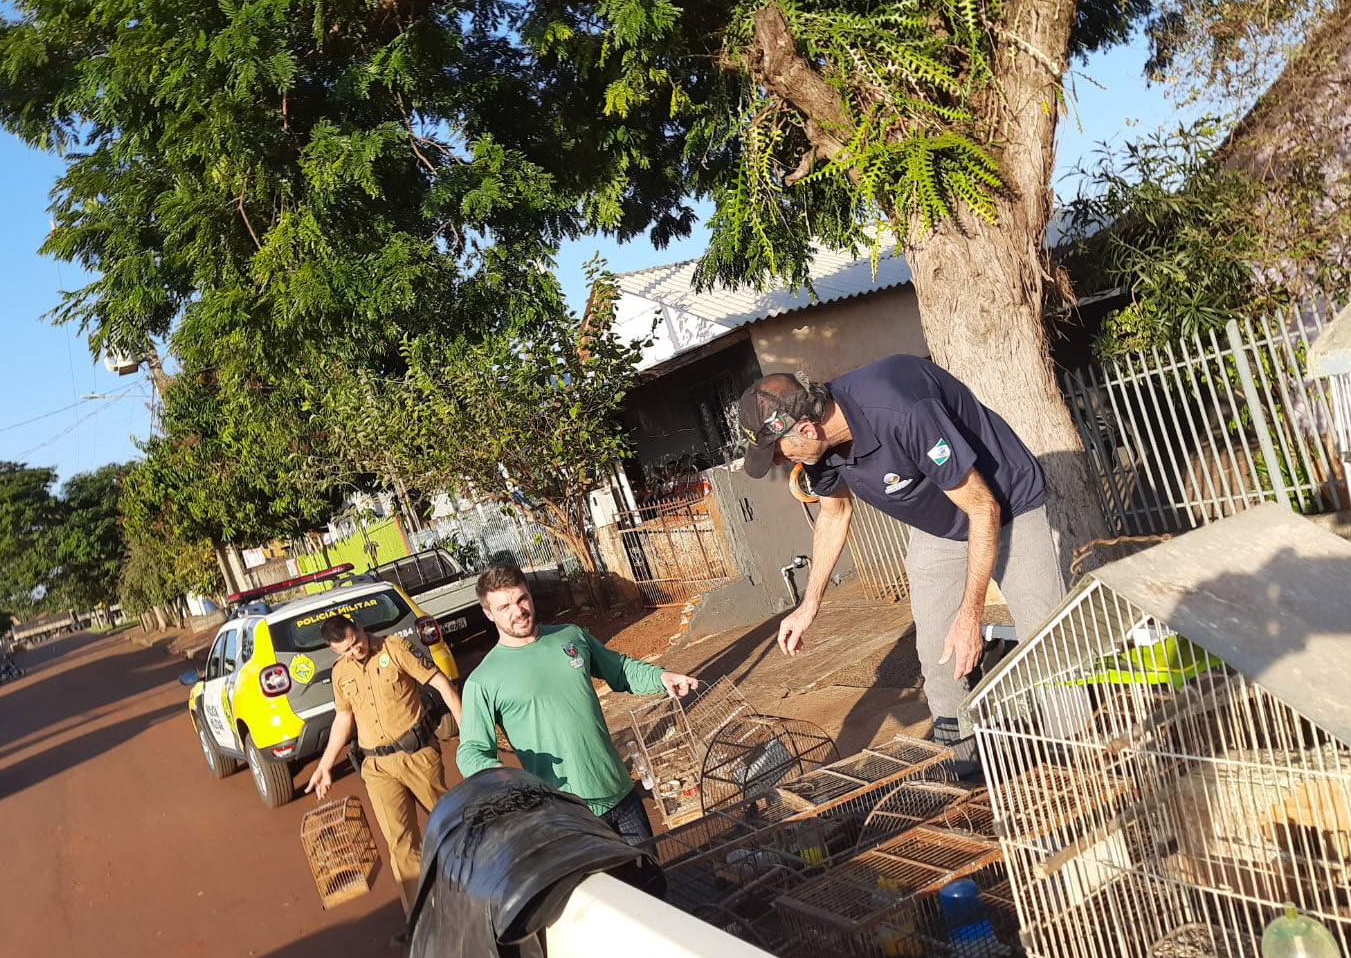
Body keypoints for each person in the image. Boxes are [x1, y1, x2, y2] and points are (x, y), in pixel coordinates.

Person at [737, 355, 1064, 776]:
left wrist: (971, 615)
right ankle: (965, 765)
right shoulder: (820, 451)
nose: (780, 464)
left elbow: (983, 509)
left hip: (1005, 505)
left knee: (1047, 639)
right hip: (940, 525)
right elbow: (834, 515)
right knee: (937, 651)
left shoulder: (901, 410)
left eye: (779, 454)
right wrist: (809, 604)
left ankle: (1075, 750)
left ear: (807, 429)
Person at [456, 563, 699, 847]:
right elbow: (471, 751)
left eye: (521, 599)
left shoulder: (570, 636)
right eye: (504, 607)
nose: (518, 611)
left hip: (620, 792)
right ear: (488, 613)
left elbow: (619, 669)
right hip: (565, 815)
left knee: (650, 874)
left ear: (530, 594)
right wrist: (498, 774)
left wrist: (660, 677)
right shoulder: (483, 681)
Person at [304, 614, 463, 916]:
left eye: (356, 642)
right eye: (347, 649)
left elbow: (441, 683)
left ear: (360, 627)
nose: (356, 650)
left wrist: (468, 734)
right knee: (400, 843)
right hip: (377, 767)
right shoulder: (340, 672)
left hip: (417, 755)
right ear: (335, 651)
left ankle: (473, 895)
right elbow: (344, 718)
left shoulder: (396, 648)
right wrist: (325, 765)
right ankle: (421, 918)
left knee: (449, 826)